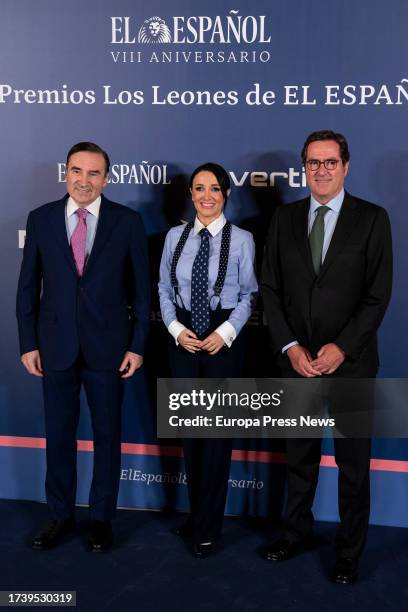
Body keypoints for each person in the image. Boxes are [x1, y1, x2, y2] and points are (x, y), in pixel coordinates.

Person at [261, 131, 392, 583]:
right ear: (304, 167)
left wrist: (342, 347)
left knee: (353, 465)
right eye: (313, 162)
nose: (321, 170)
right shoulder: (283, 219)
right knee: (299, 456)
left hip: (351, 365)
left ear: (346, 166)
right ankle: (294, 533)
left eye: (330, 162)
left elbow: (377, 296)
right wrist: (291, 347)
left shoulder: (373, 219)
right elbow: (271, 291)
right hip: (296, 364)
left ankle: (349, 551)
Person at [16, 142, 150, 552]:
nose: (84, 180)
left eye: (94, 173)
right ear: (66, 173)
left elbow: (142, 293)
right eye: (77, 170)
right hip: (54, 347)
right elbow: (27, 288)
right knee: (59, 435)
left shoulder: (127, 222)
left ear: (106, 179)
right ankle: (59, 515)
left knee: (108, 435)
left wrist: (137, 345)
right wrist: (28, 342)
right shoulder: (40, 220)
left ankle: (102, 518)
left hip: (108, 349)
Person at [158, 162, 257, 558]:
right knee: (191, 438)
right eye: (199, 189)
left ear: (227, 193)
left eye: (214, 188)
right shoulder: (174, 237)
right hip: (181, 339)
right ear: (191, 194)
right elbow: (164, 287)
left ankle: (208, 529)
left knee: (215, 440)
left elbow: (250, 295)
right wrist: (174, 328)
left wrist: (225, 333)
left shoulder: (244, 240)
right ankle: (197, 515)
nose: (206, 196)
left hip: (222, 339)